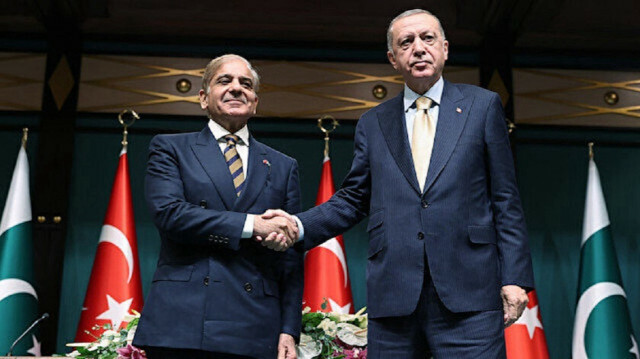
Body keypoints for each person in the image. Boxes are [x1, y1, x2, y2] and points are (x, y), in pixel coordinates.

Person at [261, 9, 534, 359]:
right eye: (406, 42)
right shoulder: (373, 122)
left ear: (445, 49)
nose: (418, 48)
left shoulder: (483, 107)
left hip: (470, 296)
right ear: (393, 58)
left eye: (428, 38)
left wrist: (515, 277)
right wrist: (297, 225)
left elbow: (505, 198)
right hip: (395, 299)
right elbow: (352, 199)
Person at [133, 54, 302, 359]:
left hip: (256, 325)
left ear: (255, 101)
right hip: (183, 323)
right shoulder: (171, 148)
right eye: (224, 80)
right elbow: (170, 214)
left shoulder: (283, 165)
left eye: (245, 84)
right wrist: (253, 225)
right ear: (203, 98)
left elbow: (290, 258)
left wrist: (289, 328)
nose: (236, 88)